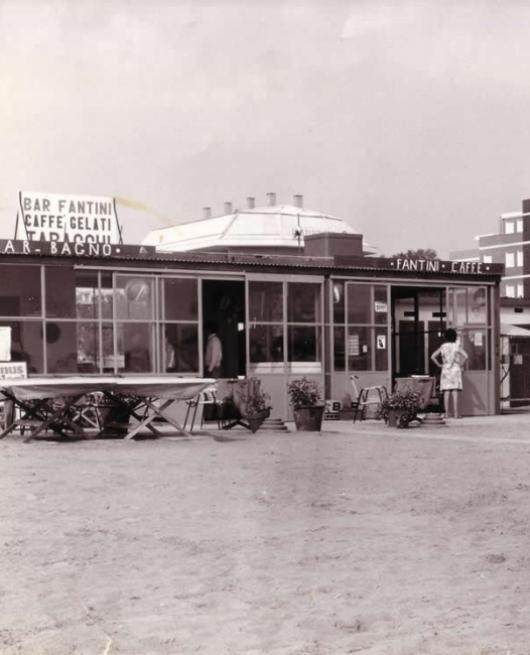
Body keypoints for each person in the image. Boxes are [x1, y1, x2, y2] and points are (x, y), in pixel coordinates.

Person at [431, 328, 468, 418]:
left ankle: (447, 413)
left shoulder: (443, 346)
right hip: (455, 369)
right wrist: (461, 365)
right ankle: (456, 414)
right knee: (455, 391)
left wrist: (440, 365)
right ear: (455, 336)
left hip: (446, 369)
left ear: (446, 337)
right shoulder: (456, 346)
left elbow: (432, 356)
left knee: (446, 392)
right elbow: (466, 356)